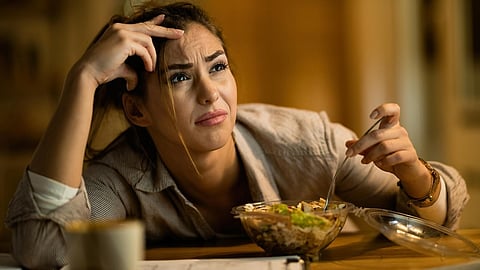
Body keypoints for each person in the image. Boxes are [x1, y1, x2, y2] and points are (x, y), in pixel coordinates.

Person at [5, 1, 469, 269]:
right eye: (180, 78)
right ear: (137, 109)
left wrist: (414, 173)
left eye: (218, 67)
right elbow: (43, 249)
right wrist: (82, 79)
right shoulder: (122, 176)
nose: (212, 94)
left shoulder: (307, 143)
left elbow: (431, 223)